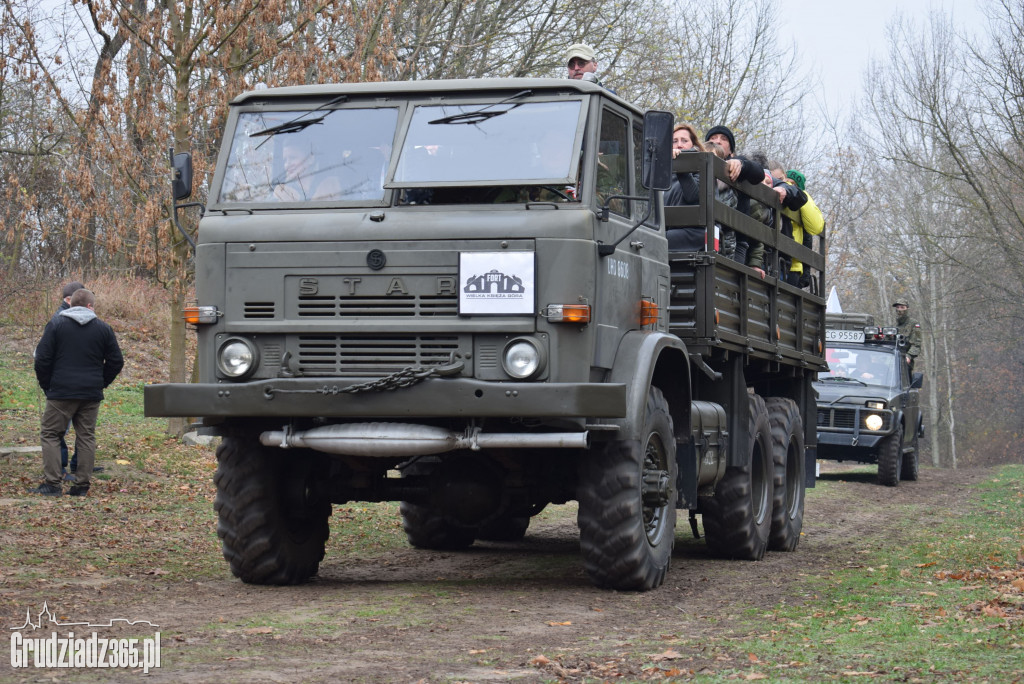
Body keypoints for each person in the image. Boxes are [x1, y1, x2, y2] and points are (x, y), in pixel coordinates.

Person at [31, 289, 124, 496]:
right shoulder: (103, 328)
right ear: (91, 306)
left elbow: (42, 359)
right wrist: (100, 383)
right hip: (90, 393)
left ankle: (53, 484)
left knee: (50, 434)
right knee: (86, 436)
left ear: (70, 304)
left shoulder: (56, 325)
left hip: (61, 392)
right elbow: (116, 361)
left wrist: (48, 385)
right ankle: (82, 485)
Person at [51, 281, 103, 480]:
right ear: (68, 300)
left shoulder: (92, 323)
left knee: (73, 432)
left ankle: (77, 467)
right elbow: (43, 355)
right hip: (70, 388)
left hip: (68, 387)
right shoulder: (58, 321)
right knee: (60, 431)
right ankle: (64, 469)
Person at [704, 125, 768, 275]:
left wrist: (740, 163)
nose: (718, 141)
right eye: (713, 138)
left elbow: (758, 173)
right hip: (706, 234)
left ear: (731, 150)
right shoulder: (698, 166)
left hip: (737, 240)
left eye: (724, 139)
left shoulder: (738, 166)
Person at [272, 139, 342, 201]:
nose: (287, 164)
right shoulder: (282, 192)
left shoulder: (329, 186)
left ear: (310, 159)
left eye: (293, 158)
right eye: (285, 160)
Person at [893, 300, 922, 370]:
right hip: (891, 360)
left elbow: (916, 344)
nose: (899, 310)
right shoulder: (894, 325)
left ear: (907, 309)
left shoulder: (913, 323)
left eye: (902, 307)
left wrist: (908, 356)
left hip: (905, 363)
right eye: (898, 307)